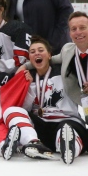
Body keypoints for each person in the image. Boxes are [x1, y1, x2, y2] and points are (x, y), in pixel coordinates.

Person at [18, 36, 82, 164]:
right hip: (41, 125)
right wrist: (28, 87)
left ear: (50, 55)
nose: (37, 53)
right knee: (13, 110)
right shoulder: (27, 77)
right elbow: (24, 109)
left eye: (41, 50)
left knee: (67, 128)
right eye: (32, 52)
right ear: (29, 58)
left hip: (66, 119)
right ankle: (33, 143)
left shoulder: (65, 71)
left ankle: (68, 146)